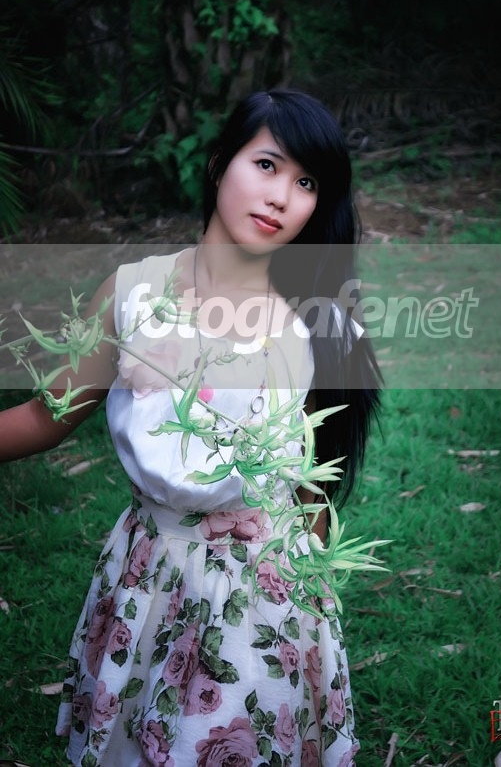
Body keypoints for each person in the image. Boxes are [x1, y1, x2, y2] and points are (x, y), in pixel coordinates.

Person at [0, 89, 382, 766]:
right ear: (216, 163)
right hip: (148, 574)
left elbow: (310, 485)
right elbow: (45, 415)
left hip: (263, 593)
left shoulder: (316, 322)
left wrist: (312, 607)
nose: (281, 196)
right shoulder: (133, 293)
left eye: (306, 183)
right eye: (267, 165)